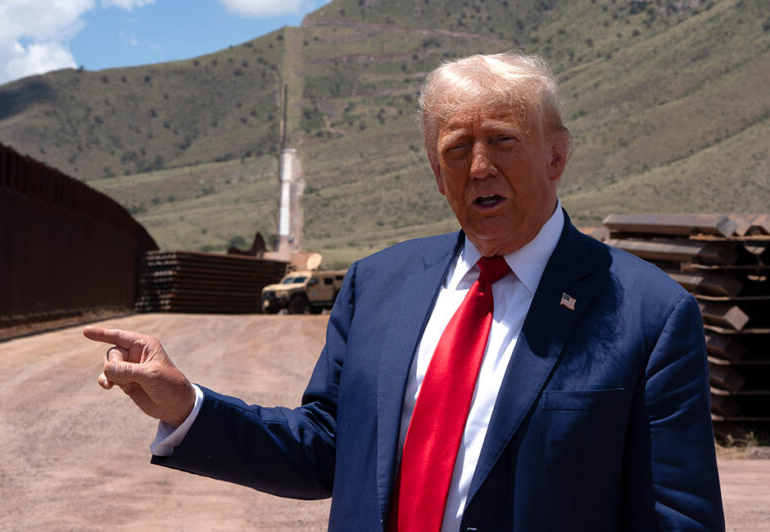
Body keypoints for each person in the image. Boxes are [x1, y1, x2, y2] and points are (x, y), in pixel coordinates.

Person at [84, 52, 724, 531]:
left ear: (556, 156)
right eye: (456, 149)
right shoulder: (377, 285)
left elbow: (678, 517)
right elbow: (327, 447)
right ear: (435, 174)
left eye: (502, 141)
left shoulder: (648, 313)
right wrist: (187, 406)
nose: (479, 167)